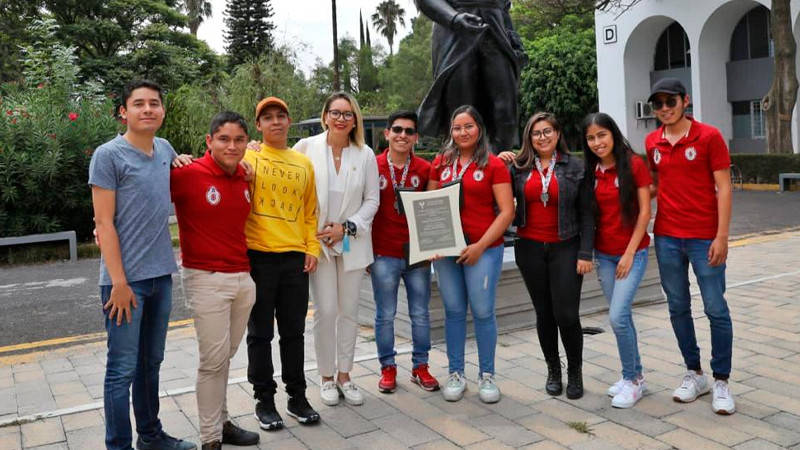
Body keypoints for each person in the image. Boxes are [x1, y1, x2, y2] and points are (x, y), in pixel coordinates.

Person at [89, 79, 196, 450]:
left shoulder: (164, 149)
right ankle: (118, 445)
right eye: (139, 104)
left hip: (160, 277)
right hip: (124, 283)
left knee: (151, 365)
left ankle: (150, 436)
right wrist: (118, 281)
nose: (148, 109)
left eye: (154, 103)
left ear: (162, 111)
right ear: (124, 112)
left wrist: (183, 158)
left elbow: (182, 167)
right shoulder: (108, 155)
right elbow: (103, 223)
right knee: (121, 371)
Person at [171, 112, 260, 449]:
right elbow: (144, 198)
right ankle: (211, 439)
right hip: (205, 278)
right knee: (212, 361)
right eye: (223, 139)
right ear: (209, 142)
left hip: (242, 279)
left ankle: (221, 422)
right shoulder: (186, 174)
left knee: (223, 357)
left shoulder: (244, 176)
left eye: (239, 140)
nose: (232, 146)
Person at [645, 78, 735, 415]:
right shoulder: (652, 140)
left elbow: (724, 188)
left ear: (686, 101)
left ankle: (722, 380)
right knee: (678, 307)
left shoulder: (709, 136)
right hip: (667, 237)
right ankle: (694, 374)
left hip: (704, 238)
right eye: (658, 104)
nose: (664, 109)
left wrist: (722, 236)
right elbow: (655, 184)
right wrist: (626, 197)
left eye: (670, 102)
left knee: (715, 308)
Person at [294, 92, 379, 407]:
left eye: (348, 113)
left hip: (351, 241)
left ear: (354, 119)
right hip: (319, 243)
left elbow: (372, 199)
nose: (342, 118)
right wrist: (254, 148)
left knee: (349, 311)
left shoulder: (365, 153)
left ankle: (345, 375)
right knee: (325, 311)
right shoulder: (306, 148)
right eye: (336, 112)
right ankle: (326, 376)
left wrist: (347, 227)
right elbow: (283, 171)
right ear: (325, 115)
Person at [503, 111, 594, 400]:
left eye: (547, 132)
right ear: (528, 137)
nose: (542, 137)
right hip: (529, 248)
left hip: (566, 247)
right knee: (544, 314)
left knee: (566, 315)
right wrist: (501, 159)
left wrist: (585, 252)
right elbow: (493, 188)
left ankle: (575, 373)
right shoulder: (517, 168)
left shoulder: (576, 166)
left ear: (557, 134)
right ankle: (553, 370)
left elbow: (587, 213)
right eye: (536, 133)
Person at [427, 105, 514, 403]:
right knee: (453, 311)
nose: (462, 132)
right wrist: (432, 243)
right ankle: (456, 373)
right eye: (457, 127)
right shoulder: (441, 162)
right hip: (448, 252)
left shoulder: (493, 164)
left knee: (482, 311)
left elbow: (506, 212)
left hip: (483, 250)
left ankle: (487, 376)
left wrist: (479, 246)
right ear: (451, 131)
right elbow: (430, 205)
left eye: (468, 126)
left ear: (479, 128)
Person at [244, 97, 322, 430]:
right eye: (267, 118)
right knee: (260, 334)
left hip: (294, 259)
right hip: (258, 256)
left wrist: (312, 247)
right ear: (258, 126)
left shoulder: (303, 163)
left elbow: (310, 211)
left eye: (281, 116)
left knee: (294, 333)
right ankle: (264, 400)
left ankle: (297, 397)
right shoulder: (248, 156)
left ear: (289, 122)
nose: (275, 122)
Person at [581, 112, 652, 409]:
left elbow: (645, 212)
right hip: (605, 256)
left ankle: (631, 379)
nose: (597, 142)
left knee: (617, 317)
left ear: (613, 134)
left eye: (602, 135)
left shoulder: (633, 164)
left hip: (631, 254)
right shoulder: (591, 171)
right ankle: (636, 377)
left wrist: (629, 252)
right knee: (622, 317)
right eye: (591, 138)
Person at [370, 110, 439, 394]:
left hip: (417, 254)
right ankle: (388, 367)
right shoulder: (371, 166)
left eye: (409, 131)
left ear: (416, 138)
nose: (402, 135)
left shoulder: (425, 169)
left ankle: (420, 366)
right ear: (386, 134)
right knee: (385, 315)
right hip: (383, 252)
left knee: (421, 314)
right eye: (397, 130)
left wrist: (435, 245)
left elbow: (435, 210)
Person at [415, 0, 527, 153]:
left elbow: (505, 9)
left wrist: (515, 41)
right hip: (455, 32)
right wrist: (454, 18)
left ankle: (499, 169)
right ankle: (462, 169)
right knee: (461, 111)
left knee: (506, 112)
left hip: (496, 32)